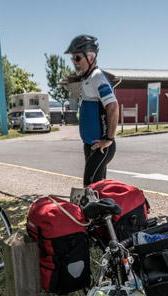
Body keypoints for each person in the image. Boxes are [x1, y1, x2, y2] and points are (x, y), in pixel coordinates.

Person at [65, 35, 119, 186]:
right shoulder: (88, 78)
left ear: (91, 57)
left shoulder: (97, 77)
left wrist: (108, 139)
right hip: (90, 144)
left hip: (100, 146)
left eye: (77, 58)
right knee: (98, 190)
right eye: (72, 58)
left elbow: (113, 106)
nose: (74, 62)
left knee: (89, 189)